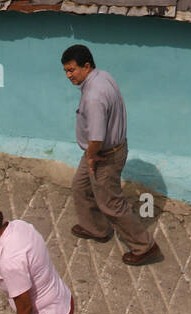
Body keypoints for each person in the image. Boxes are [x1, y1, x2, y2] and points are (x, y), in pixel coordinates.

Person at [61, 43, 160, 266]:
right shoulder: (102, 76)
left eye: (72, 70)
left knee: (111, 204)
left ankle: (145, 247)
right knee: (80, 186)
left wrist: (91, 156)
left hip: (102, 155)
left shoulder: (94, 96)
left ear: (86, 66)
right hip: (99, 151)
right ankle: (95, 228)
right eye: (66, 71)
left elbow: (96, 136)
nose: (68, 75)